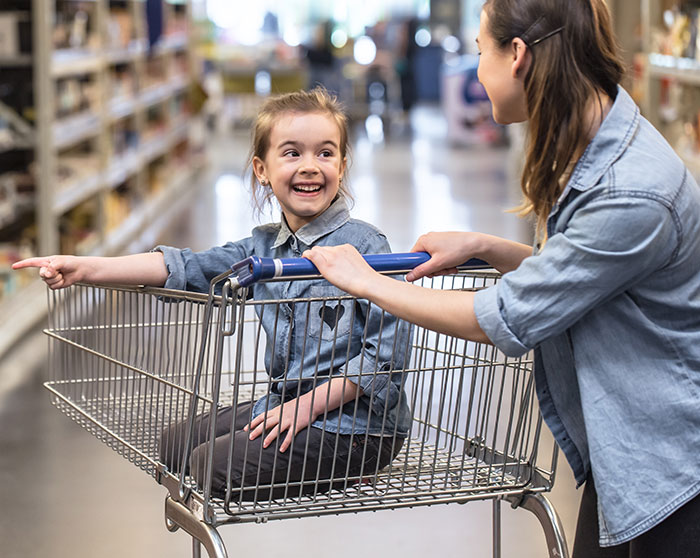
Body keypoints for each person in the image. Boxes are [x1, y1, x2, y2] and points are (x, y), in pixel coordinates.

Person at [303, 1, 700, 557]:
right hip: (630, 446)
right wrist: (488, 248)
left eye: (480, 52)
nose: (478, 70)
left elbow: (504, 317)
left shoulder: (630, 191)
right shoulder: (594, 141)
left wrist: (368, 281)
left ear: (517, 56)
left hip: (675, 465)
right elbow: (582, 274)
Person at [13, 87, 411, 500]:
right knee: (175, 446)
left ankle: (344, 468)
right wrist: (86, 268)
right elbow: (186, 267)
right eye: (292, 153)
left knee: (209, 466)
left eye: (325, 154)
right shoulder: (262, 248)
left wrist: (304, 408)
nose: (310, 166)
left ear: (342, 166)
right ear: (262, 169)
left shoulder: (367, 248)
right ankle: (303, 453)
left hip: (357, 429)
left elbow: (385, 359)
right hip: (287, 403)